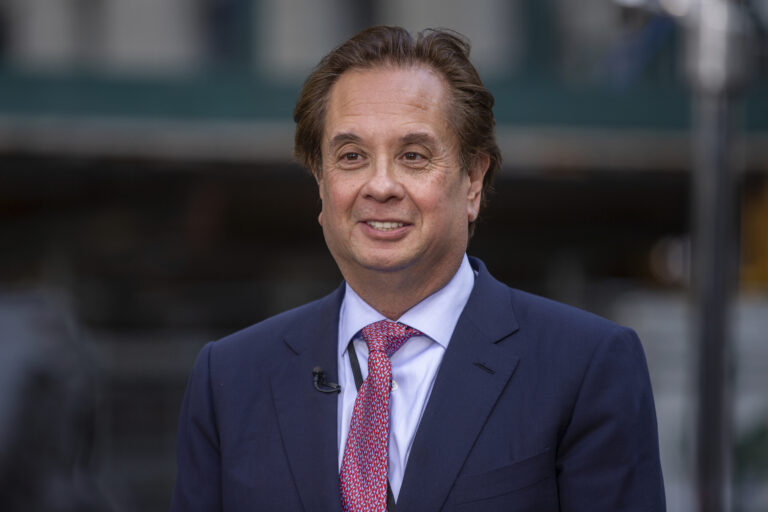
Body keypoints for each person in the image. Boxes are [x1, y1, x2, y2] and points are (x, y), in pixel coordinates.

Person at [170, 26, 665, 512]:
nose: (381, 185)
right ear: (320, 182)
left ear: (473, 181)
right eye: (351, 156)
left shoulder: (586, 367)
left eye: (413, 156)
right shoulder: (229, 379)